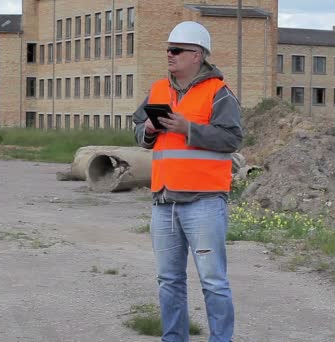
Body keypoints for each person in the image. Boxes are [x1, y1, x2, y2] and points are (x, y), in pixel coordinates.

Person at [133, 21, 243, 342]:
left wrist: (188, 129)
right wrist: (149, 132)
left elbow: (232, 138)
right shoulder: (157, 90)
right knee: (169, 280)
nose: (170, 55)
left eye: (176, 50)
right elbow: (138, 128)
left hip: (204, 202)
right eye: (168, 49)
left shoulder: (218, 92)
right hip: (164, 201)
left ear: (197, 55)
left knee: (213, 281)